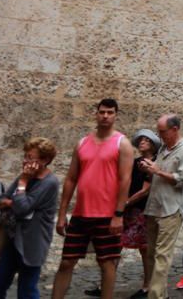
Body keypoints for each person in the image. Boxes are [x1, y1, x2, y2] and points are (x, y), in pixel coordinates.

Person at [52, 100, 133, 299]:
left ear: (116, 115)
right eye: (102, 112)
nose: (105, 116)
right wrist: (62, 214)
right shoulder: (82, 143)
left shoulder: (122, 143)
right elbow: (71, 179)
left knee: (107, 263)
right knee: (66, 262)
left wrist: (118, 215)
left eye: (110, 112)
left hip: (107, 215)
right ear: (96, 114)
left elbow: (125, 180)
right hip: (81, 214)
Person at [0, 137, 59, 299]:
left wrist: (23, 184)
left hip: (33, 242)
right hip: (13, 239)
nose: (25, 161)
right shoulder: (24, 176)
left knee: (26, 290)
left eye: (30, 158)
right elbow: (1, 201)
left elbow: (21, 208)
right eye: (25, 156)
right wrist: (18, 195)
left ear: (45, 160)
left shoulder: (49, 182)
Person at [142, 113, 183, 299]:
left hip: (170, 210)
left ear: (175, 130)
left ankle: (155, 296)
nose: (159, 135)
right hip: (154, 208)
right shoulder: (164, 148)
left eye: (162, 131)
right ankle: (160, 294)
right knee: (151, 255)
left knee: (161, 256)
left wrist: (158, 171)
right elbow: (158, 175)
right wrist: (150, 169)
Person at [119, 130, 159, 299]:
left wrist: (126, 202)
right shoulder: (135, 162)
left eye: (146, 140)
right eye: (140, 140)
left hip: (143, 210)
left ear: (152, 144)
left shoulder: (154, 163)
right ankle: (104, 283)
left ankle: (147, 286)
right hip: (128, 210)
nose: (142, 142)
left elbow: (145, 190)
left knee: (145, 249)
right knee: (116, 244)